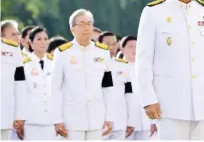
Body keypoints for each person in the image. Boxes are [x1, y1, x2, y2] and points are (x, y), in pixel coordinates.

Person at [135, 0, 204, 140]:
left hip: (203, 103)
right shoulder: (154, 12)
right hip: (170, 104)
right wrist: (148, 99)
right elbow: (143, 61)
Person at [51, 9, 119, 140]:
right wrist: (57, 119)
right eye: (82, 24)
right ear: (72, 29)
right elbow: (55, 89)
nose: (86, 28)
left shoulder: (102, 52)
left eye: (89, 24)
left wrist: (109, 116)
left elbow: (108, 87)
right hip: (71, 119)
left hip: (96, 117)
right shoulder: (63, 53)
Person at [98, 33, 138, 140]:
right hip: (99, 122)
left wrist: (131, 121)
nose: (111, 47)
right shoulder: (94, 65)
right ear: (99, 44)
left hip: (120, 120)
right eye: (107, 44)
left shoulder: (124, 66)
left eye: (114, 44)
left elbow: (129, 95)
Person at [22, 27, 58, 140]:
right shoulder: (23, 64)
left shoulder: (55, 63)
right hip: (31, 119)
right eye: (39, 39)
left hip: (52, 119)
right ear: (30, 43)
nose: (43, 42)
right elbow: (21, 92)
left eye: (45, 39)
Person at [121, 36, 157, 140]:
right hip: (125, 121)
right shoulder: (119, 68)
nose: (134, 50)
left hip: (144, 120)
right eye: (130, 47)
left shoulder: (145, 69)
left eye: (136, 47)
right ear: (122, 49)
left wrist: (153, 120)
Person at [1, 20, 28, 140]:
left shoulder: (13, 51)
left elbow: (20, 85)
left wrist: (20, 115)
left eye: (18, 34)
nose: (18, 38)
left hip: (4, 115)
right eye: (13, 34)